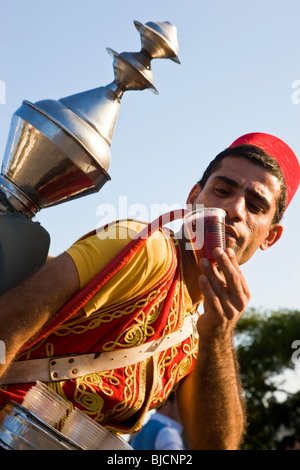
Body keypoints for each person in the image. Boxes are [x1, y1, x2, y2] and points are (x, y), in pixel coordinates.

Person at [0, 132, 299, 450]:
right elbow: (9, 321)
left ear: (270, 236)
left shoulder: (201, 333)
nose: (233, 209)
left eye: (255, 206)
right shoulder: (145, 248)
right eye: (222, 190)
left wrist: (219, 337)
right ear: (193, 198)